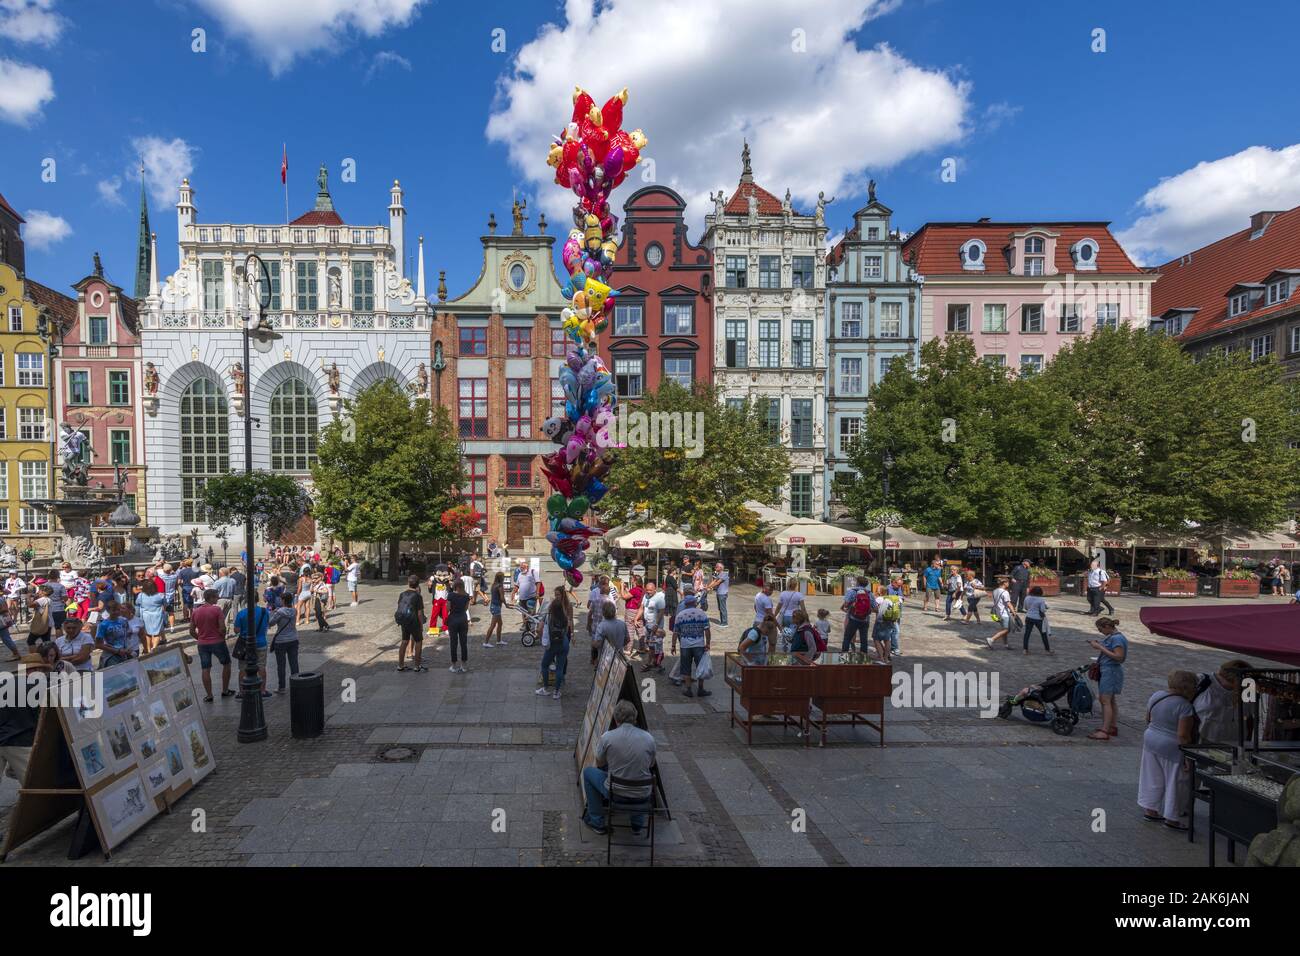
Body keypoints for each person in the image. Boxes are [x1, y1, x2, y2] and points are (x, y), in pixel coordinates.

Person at [581, 699, 656, 836]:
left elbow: (599, 763)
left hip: (616, 793)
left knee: (588, 773)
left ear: (616, 719)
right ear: (635, 718)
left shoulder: (608, 737)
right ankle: (637, 825)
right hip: (643, 794)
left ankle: (597, 822)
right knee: (638, 774)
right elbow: (651, 765)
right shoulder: (649, 738)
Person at [1138, 670, 1198, 829]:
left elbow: (1148, 718)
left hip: (1151, 738)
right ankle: (1172, 818)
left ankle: (1150, 809)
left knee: (1152, 776)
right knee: (1175, 781)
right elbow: (1183, 734)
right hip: (1171, 746)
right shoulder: (1185, 706)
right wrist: (1188, 755)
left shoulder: (1156, 695)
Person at [1192, 659, 1252, 744]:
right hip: (1201, 741)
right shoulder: (1201, 681)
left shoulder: (1248, 689)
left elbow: (1249, 718)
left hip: (1234, 745)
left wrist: (1248, 744)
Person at [1088, 617, 1128, 740]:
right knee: (1110, 700)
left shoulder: (1117, 638)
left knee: (1105, 700)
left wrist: (1099, 647)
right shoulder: (1114, 637)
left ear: (1107, 627)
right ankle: (1111, 726)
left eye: (1100, 630)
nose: (1100, 632)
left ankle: (1104, 731)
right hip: (1109, 670)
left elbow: (1119, 657)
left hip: (1111, 671)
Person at [191, 588, 233, 701]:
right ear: (211, 598)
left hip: (202, 644)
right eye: (216, 596)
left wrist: (199, 638)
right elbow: (222, 627)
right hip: (217, 641)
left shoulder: (196, 611)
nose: (218, 598)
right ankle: (225, 690)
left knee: (205, 668)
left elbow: (191, 630)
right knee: (226, 664)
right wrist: (222, 636)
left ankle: (209, 695)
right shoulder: (216, 610)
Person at [670, 591, 711, 698]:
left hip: (685, 646)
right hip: (699, 644)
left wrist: (673, 645)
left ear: (685, 604)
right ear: (694, 603)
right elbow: (707, 630)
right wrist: (708, 643)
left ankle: (688, 690)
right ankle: (700, 689)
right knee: (700, 667)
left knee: (686, 667)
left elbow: (675, 632)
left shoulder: (680, 615)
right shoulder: (701, 613)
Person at [233, 594, 272, 700]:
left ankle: (242, 692)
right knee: (261, 666)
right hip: (261, 643)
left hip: (245, 645)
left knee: (242, 668)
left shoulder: (241, 613)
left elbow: (236, 630)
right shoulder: (264, 612)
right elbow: (268, 624)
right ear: (257, 599)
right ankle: (263, 690)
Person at [537, 586, 573, 699]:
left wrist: (541, 636)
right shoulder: (565, 617)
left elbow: (539, 629)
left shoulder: (549, 616)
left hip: (552, 644)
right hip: (564, 642)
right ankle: (556, 692)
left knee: (544, 665)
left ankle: (546, 688)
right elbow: (568, 628)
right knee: (560, 668)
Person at [395, 575, 427, 672]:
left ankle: (400, 665)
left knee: (404, 641)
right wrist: (421, 625)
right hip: (414, 621)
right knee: (418, 641)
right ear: (418, 585)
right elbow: (420, 613)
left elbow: (399, 606)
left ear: (408, 583)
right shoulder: (418, 596)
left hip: (404, 620)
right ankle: (417, 666)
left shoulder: (402, 594)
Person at [269, 601, 300, 693]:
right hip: (293, 639)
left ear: (283, 601)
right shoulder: (294, 610)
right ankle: (296, 684)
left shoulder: (279, 612)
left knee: (281, 665)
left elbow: (271, 623)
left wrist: (272, 612)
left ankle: (282, 687)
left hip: (281, 641)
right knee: (294, 663)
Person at [93, 601, 133, 668]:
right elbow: (98, 644)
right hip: (111, 656)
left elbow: (127, 636)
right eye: (114, 610)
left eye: (118, 609)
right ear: (108, 611)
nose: (117, 612)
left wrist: (128, 648)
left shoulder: (124, 621)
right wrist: (117, 651)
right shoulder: (103, 624)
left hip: (125, 654)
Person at [639, 580, 667, 673]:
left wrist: (656, 624)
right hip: (648, 624)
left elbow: (661, 611)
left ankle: (656, 663)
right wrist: (636, 619)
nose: (648, 592)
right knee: (650, 645)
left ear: (655, 589)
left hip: (656, 627)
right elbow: (642, 608)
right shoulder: (645, 596)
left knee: (657, 646)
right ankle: (652, 663)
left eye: (650, 590)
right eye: (647, 590)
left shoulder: (659, 597)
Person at [841, 578, 873, 653]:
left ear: (857, 583)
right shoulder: (869, 593)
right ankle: (864, 657)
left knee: (847, 638)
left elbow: (846, 605)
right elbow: (875, 608)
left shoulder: (852, 591)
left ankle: (844, 654)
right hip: (865, 619)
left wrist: (852, 605)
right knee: (864, 639)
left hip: (853, 618)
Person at [446, 580, 472, 674]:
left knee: (453, 642)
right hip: (463, 619)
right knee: (463, 642)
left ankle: (453, 665)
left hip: (453, 619)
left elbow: (447, 608)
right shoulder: (466, 596)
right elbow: (465, 609)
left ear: (455, 586)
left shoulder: (451, 595)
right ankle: (463, 665)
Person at [137, 580, 169, 654]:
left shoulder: (141, 595)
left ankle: (148, 649)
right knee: (157, 633)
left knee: (147, 633)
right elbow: (165, 604)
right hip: (157, 615)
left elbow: (137, 603)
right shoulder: (160, 595)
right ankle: (154, 648)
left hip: (145, 616)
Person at [987, 576, 1018, 649]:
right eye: (1008, 582)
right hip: (1004, 613)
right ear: (1004, 583)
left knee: (1004, 629)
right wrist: (1013, 612)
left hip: (997, 612)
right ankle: (991, 639)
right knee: (1006, 629)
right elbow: (1008, 603)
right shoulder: (1005, 592)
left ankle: (1006, 644)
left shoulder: (995, 591)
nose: (1009, 584)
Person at [617, 575, 644, 657]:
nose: (631, 581)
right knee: (640, 630)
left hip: (631, 611)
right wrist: (626, 589)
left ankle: (628, 650)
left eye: (632, 580)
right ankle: (643, 647)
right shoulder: (641, 589)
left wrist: (621, 587)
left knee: (630, 630)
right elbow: (631, 594)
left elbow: (624, 597)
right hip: (639, 610)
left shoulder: (635, 589)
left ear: (635, 581)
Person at [1022, 585, 1051, 654]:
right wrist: (1045, 607)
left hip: (1029, 617)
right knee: (1043, 634)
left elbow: (1025, 608)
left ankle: (1025, 649)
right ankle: (1047, 650)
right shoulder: (1041, 600)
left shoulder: (1027, 598)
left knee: (1027, 634)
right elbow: (1042, 610)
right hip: (1038, 618)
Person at [26, 584, 53, 649]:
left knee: (30, 641)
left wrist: (28, 597)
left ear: (43, 592)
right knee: (46, 642)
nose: (38, 592)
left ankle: (35, 656)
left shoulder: (43, 599)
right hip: (48, 623)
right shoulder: (48, 599)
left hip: (42, 623)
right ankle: (48, 655)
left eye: (39, 590)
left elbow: (30, 605)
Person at [484, 572, 506, 648]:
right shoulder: (500, 586)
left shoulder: (494, 585)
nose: (504, 578)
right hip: (496, 607)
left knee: (500, 624)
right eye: (503, 577)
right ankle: (486, 642)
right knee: (493, 625)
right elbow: (502, 598)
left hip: (494, 606)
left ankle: (499, 641)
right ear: (501, 578)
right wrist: (506, 605)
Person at [710, 562, 730, 627]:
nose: (715, 568)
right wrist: (707, 586)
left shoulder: (724, 574)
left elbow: (718, 582)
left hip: (723, 593)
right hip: (719, 593)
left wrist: (710, 587)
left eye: (716, 567)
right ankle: (722, 622)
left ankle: (725, 623)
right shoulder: (719, 574)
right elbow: (714, 581)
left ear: (720, 568)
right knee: (720, 608)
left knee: (722, 608)